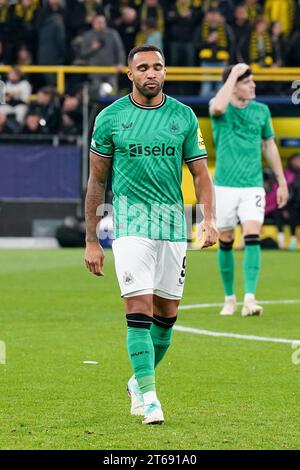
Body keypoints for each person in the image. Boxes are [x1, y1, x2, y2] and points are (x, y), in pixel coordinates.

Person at [84, 44, 218, 425]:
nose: (150, 73)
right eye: (142, 67)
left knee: (167, 317)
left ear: (165, 71)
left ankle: (136, 383)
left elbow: (200, 175)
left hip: (173, 226)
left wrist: (209, 219)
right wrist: (92, 239)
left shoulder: (183, 116)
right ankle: (151, 399)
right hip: (130, 225)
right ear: (130, 74)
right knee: (138, 310)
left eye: (157, 67)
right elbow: (97, 181)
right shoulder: (110, 118)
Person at [210, 63, 289, 317]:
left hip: (253, 186)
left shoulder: (261, 111)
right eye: (247, 82)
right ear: (233, 85)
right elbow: (218, 106)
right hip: (223, 185)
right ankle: (229, 298)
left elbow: (269, 146)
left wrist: (281, 180)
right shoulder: (220, 107)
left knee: (252, 235)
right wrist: (233, 74)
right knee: (226, 239)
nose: (253, 85)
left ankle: (250, 299)